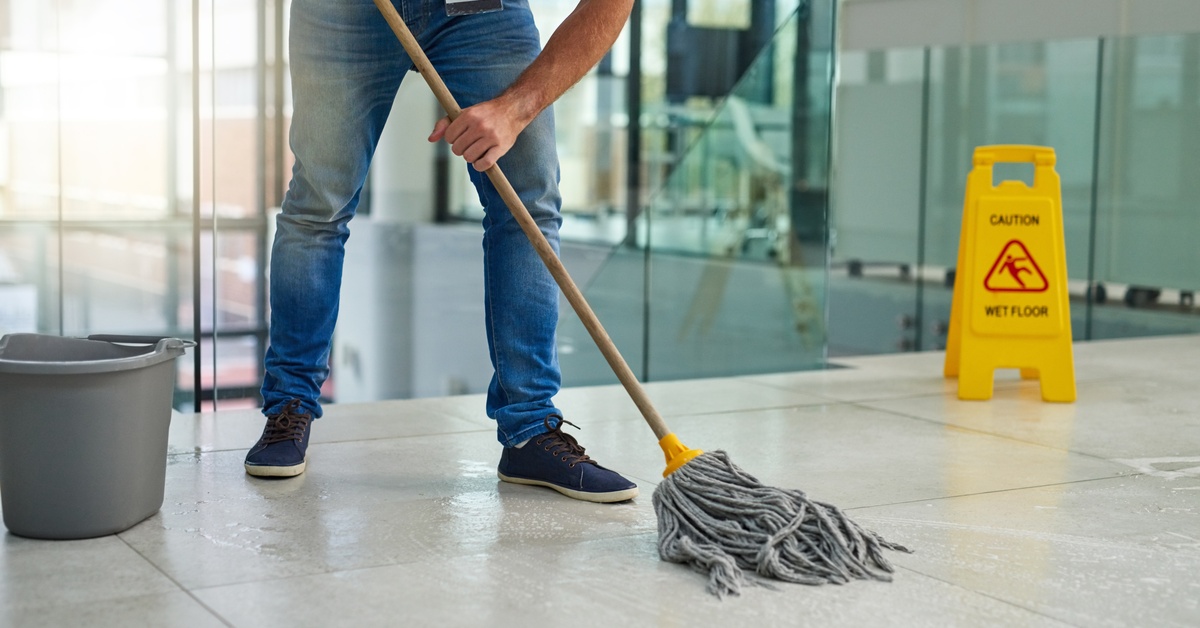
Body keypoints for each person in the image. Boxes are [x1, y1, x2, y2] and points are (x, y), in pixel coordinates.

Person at [243, 0, 639, 504]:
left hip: (479, 9)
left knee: (526, 205)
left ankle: (530, 430)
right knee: (317, 204)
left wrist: (517, 107)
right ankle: (289, 406)